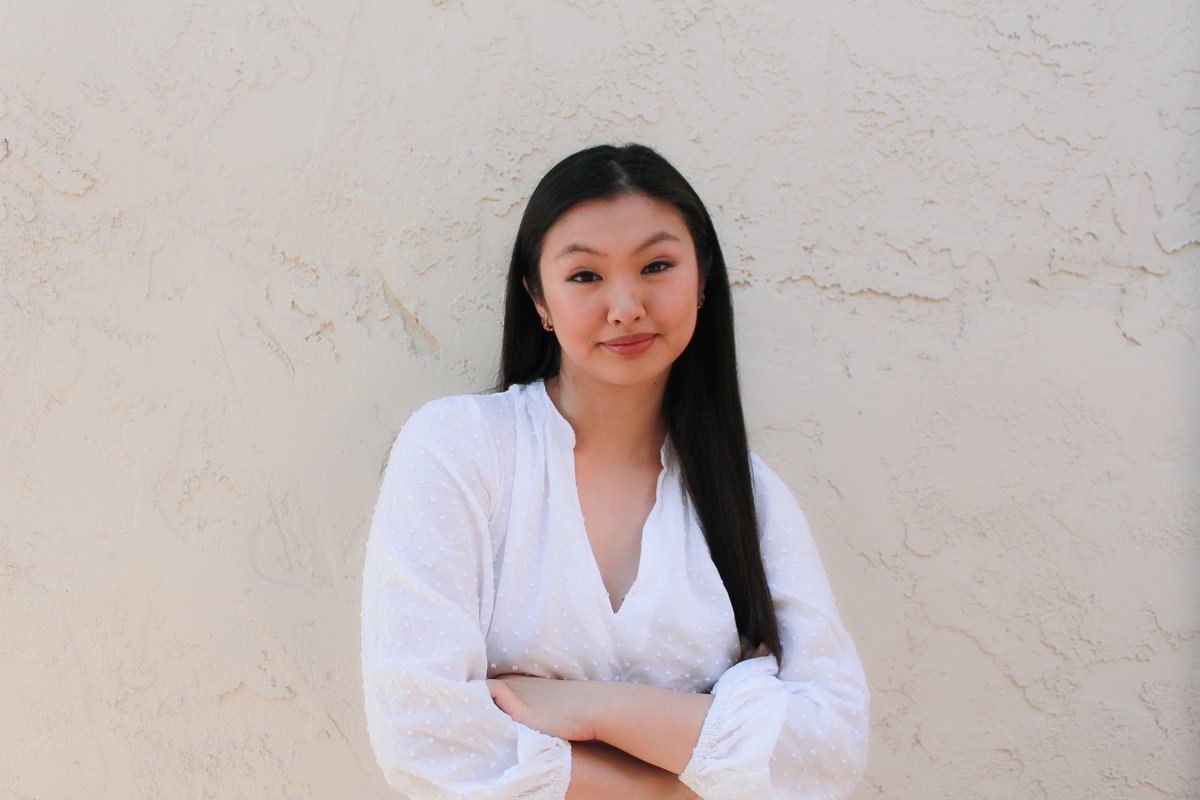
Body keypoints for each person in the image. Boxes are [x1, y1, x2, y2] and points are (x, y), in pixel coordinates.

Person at [361, 144, 869, 799]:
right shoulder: (458, 450)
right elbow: (422, 737)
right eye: (585, 276)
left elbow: (829, 751)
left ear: (703, 282)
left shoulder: (753, 497)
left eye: (656, 265)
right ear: (538, 300)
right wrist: (686, 775)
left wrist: (591, 708)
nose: (626, 305)